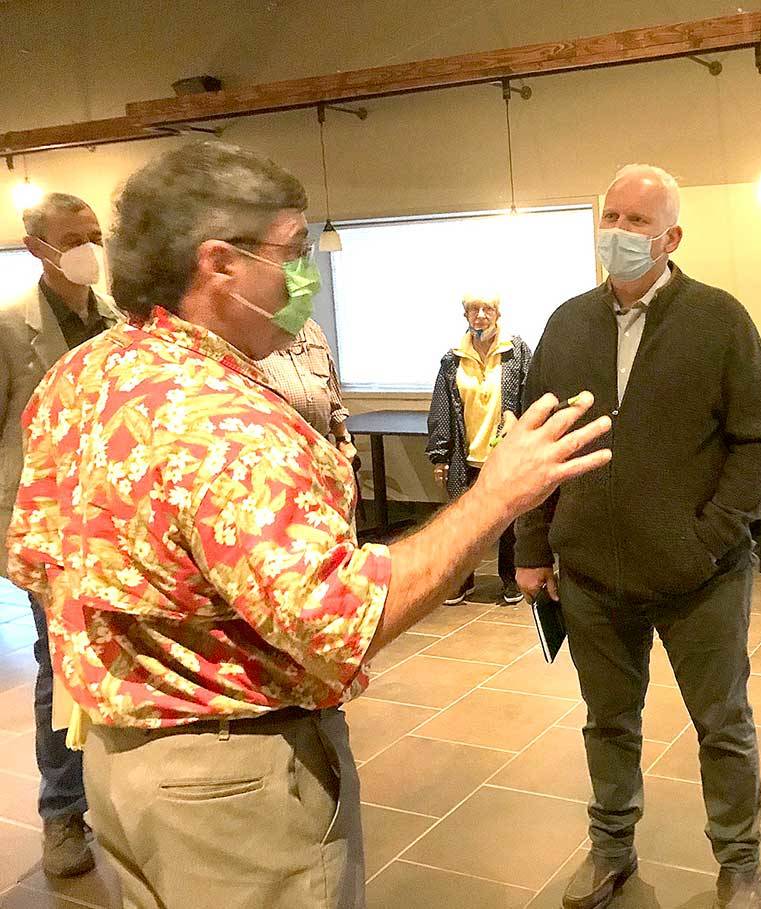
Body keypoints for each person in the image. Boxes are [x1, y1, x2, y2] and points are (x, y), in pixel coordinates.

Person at [5, 140, 611, 909]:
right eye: (293, 252)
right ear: (219, 264)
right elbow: (340, 624)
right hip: (229, 790)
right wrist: (497, 497)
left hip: (119, 763)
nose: (306, 277)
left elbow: (33, 553)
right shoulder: (222, 421)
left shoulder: (88, 371)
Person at [516, 164, 761, 909]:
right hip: (593, 574)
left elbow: (759, 442)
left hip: (703, 575)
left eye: (637, 221)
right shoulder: (567, 322)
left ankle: (739, 862)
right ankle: (610, 849)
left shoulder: (720, 319)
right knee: (607, 721)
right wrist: (534, 546)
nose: (620, 233)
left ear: (672, 237)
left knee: (722, 722)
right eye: (612, 216)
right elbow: (538, 441)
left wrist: (708, 538)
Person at [0, 192, 117, 878]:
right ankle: (62, 810)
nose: (89, 248)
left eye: (96, 234)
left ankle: (116, 793)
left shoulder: (115, 318)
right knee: (60, 665)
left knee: (112, 660)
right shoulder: (10, 328)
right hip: (47, 531)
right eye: (74, 237)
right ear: (38, 247)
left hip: (113, 524)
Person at [427, 292, 533, 605]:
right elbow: (442, 408)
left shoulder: (517, 352)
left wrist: (518, 416)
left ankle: (511, 579)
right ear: (466, 315)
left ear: (498, 314)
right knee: (465, 523)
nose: (481, 316)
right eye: (474, 309)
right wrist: (440, 456)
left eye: (488, 309)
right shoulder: (452, 358)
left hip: (505, 454)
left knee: (510, 521)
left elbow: (533, 392)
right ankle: (463, 581)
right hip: (466, 455)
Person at [257, 317, 358, 463]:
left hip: (321, 445)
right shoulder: (250, 333)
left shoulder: (311, 328)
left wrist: (343, 438)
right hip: (278, 451)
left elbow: (332, 392)